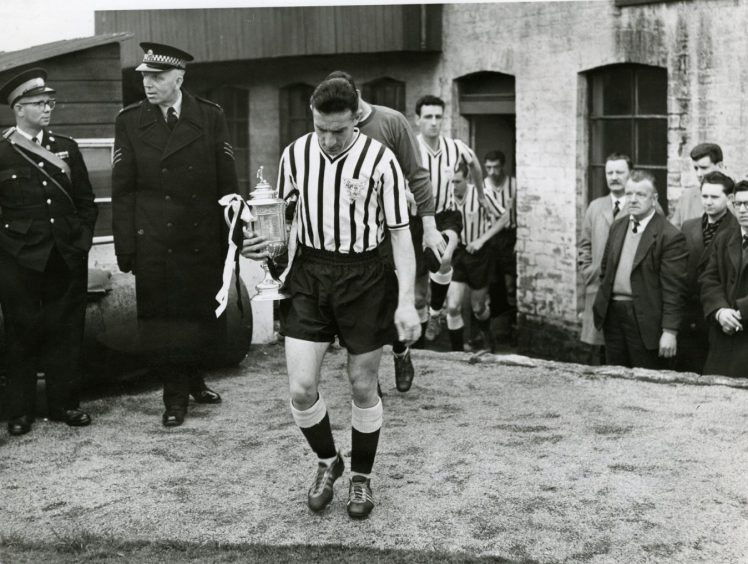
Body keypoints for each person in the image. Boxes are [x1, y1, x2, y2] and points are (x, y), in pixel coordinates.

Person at [266, 77, 419, 519]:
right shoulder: (294, 155)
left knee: (362, 384)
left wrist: (406, 300)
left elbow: (400, 236)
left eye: (339, 130)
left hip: (365, 277)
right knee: (300, 388)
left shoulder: (381, 161)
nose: (329, 140)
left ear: (357, 118)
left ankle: (361, 479)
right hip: (311, 274)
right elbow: (281, 222)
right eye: (320, 129)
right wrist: (267, 247)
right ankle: (327, 461)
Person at [112, 43, 238, 427]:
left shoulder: (210, 116)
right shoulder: (130, 121)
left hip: (200, 238)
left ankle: (195, 379)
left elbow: (226, 181)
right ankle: (174, 398)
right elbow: (124, 190)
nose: (148, 84)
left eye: (157, 77)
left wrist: (232, 239)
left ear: (179, 78)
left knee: (198, 315)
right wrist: (126, 246)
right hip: (155, 240)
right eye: (145, 77)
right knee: (165, 322)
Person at [323, 70, 444, 393]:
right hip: (351, 236)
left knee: (390, 297)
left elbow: (418, 175)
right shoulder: (331, 129)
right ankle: (369, 374)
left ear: (357, 97)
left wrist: (430, 227)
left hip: (393, 229)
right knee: (359, 305)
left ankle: (401, 352)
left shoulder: (390, 122)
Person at [0, 68, 98, 435]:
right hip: (18, 259)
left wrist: (83, 241)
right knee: (21, 332)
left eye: (49, 102)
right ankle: (20, 412)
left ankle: (65, 405)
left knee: (66, 330)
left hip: (65, 255)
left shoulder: (66, 148)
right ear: (18, 109)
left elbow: (86, 202)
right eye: (39, 103)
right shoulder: (2, 152)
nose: (47, 109)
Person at [593, 171, 688, 369]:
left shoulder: (669, 236)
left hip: (645, 320)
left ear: (654, 199)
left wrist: (669, 331)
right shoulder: (618, 226)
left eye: (640, 195)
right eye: (629, 194)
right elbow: (606, 270)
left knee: (644, 377)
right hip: (613, 315)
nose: (633, 200)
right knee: (614, 374)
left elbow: (674, 290)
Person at [414, 94, 485, 342]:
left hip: (446, 214)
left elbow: (474, 163)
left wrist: (482, 194)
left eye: (438, 117)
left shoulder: (454, 146)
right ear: (418, 120)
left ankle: (436, 312)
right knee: (418, 296)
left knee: (445, 256)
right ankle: (422, 345)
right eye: (428, 117)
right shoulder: (411, 147)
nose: (434, 122)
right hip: (416, 219)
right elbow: (396, 180)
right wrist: (409, 198)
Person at [445, 162, 508, 352]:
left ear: (468, 180)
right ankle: (456, 353)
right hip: (457, 254)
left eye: (457, 181)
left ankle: (488, 340)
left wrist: (482, 239)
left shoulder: (481, 194)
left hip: (479, 255)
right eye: (450, 182)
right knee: (453, 306)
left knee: (478, 307)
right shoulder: (445, 198)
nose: (453, 186)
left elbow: (504, 217)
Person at [678, 171, 737, 374]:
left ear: (729, 199)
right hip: (688, 315)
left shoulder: (736, 228)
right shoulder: (689, 227)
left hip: (716, 316)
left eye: (714, 197)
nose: (708, 202)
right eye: (704, 196)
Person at [578, 153, 633, 357]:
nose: (614, 177)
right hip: (598, 287)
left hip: (628, 293)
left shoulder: (643, 205)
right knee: (598, 350)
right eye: (609, 172)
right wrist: (588, 272)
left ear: (630, 174)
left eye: (619, 172)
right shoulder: (596, 206)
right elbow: (584, 245)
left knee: (626, 351)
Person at [698, 180, 748, 377]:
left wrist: (738, 313)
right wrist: (720, 311)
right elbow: (709, 279)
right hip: (723, 338)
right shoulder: (725, 237)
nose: (743, 210)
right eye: (738, 204)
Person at [484, 150, 517, 343]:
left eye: (496, 167)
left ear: (502, 166)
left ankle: (513, 327)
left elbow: (521, 212)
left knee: (511, 283)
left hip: (510, 237)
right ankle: (497, 331)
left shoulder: (514, 184)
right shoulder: (483, 187)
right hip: (490, 239)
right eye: (488, 167)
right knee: (492, 284)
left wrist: (520, 238)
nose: (492, 171)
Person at [671, 143, 723, 229]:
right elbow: (673, 233)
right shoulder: (687, 197)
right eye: (696, 168)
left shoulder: (737, 197)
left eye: (704, 168)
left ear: (719, 166)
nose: (699, 174)